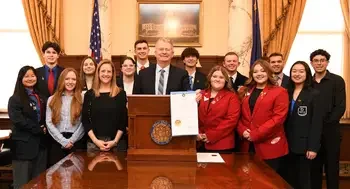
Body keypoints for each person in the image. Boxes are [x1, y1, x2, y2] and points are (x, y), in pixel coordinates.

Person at [237, 59, 289, 171]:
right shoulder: (244, 91)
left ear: (269, 72)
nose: (259, 74)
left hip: (269, 146)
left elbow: (278, 119)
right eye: (255, 72)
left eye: (263, 71)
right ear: (252, 74)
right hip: (247, 144)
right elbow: (238, 115)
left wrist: (255, 134)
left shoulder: (280, 92)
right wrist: (242, 130)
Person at [309, 49, 346, 189]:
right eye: (316, 61)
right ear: (311, 63)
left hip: (331, 132)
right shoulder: (308, 82)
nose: (319, 63)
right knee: (314, 169)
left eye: (322, 60)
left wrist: (322, 125)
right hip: (312, 134)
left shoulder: (337, 80)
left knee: (332, 168)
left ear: (327, 62)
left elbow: (340, 107)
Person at [284, 61, 323, 189]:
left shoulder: (314, 94)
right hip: (286, 144)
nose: (297, 74)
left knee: (303, 181)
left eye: (301, 71)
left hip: (305, 146)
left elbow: (316, 123)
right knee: (288, 178)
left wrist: (313, 147)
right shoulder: (285, 92)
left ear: (307, 73)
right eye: (294, 71)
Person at [8, 66, 47, 189]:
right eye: (27, 76)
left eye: (32, 75)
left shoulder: (41, 97)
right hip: (23, 147)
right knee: (22, 184)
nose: (30, 78)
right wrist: (38, 129)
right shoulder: (15, 99)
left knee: (39, 183)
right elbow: (18, 120)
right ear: (21, 78)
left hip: (41, 146)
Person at [82, 59, 128, 152]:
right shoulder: (89, 94)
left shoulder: (121, 94)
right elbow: (85, 120)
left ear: (113, 74)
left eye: (109, 71)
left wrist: (114, 141)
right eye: (103, 71)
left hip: (117, 144)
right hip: (94, 144)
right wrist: (96, 141)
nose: (106, 74)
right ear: (98, 73)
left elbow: (123, 121)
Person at [46, 68, 85, 165]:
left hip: (76, 142)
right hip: (57, 142)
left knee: (76, 177)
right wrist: (63, 141)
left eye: (73, 79)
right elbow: (49, 122)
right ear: (62, 80)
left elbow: (83, 122)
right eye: (67, 79)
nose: (70, 82)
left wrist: (71, 141)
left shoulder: (82, 99)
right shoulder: (52, 99)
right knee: (56, 176)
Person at [197, 66, 240, 153]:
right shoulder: (201, 94)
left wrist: (210, 135)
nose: (217, 79)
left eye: (221, 77)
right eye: (215, 76)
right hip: (200, 142)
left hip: (222, 144)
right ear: (210, 78)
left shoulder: (232, 97)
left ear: (226, 80)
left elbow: (231, 121)